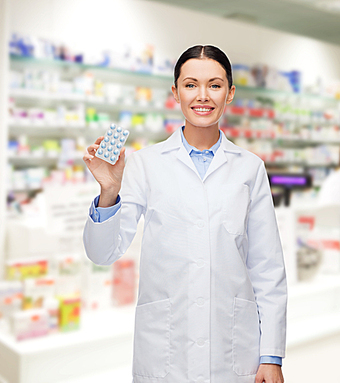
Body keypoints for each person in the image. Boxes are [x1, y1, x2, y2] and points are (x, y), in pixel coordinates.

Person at [82, 45, 287, 383]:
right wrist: (108, 192)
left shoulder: (250, 169)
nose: (202, 96)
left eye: (215, 85)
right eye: (191, 85)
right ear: (175, 93)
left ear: (230, 93)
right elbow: (102, 253)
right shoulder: (145, 164)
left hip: (234, 351)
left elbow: (267, 268)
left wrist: (271, 356)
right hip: (166, 352)